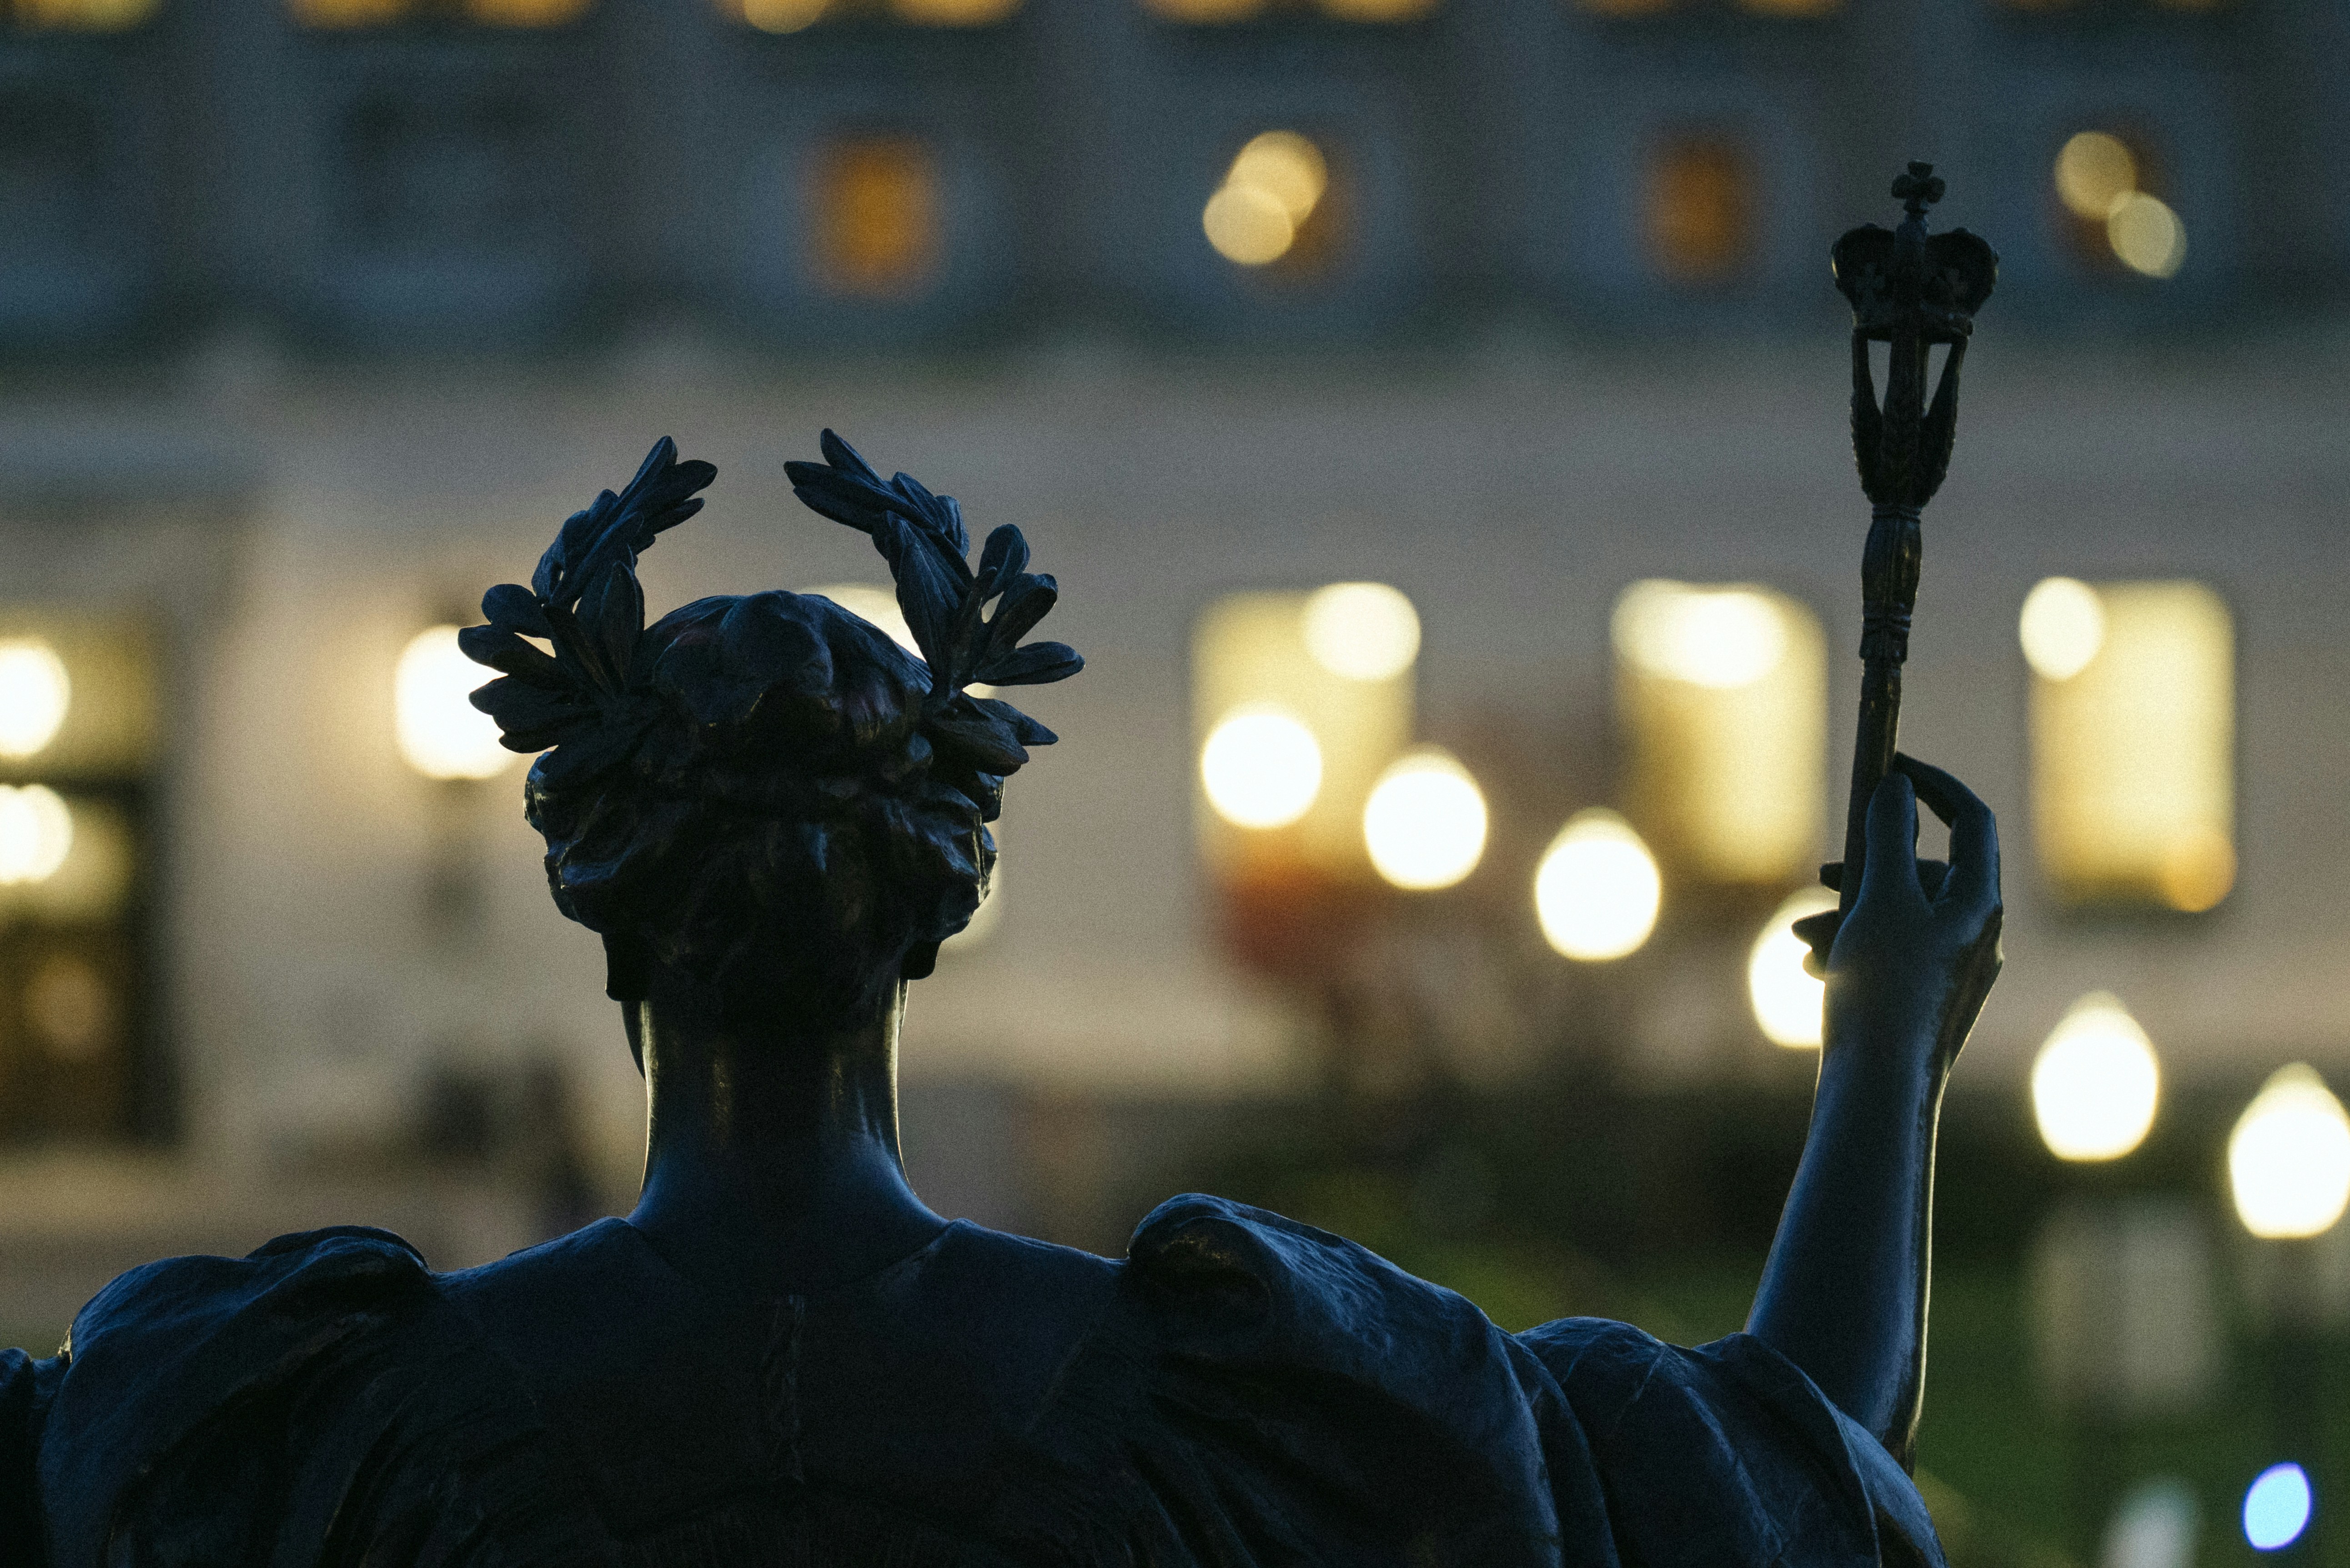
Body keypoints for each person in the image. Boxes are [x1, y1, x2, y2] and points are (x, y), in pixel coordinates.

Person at [0, 436, 2001, 1566]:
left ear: (595, 911)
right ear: (933, 914)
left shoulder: (321, 1428)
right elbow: (1797, 1460)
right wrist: (1887, 1040)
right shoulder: (1244, 1407)